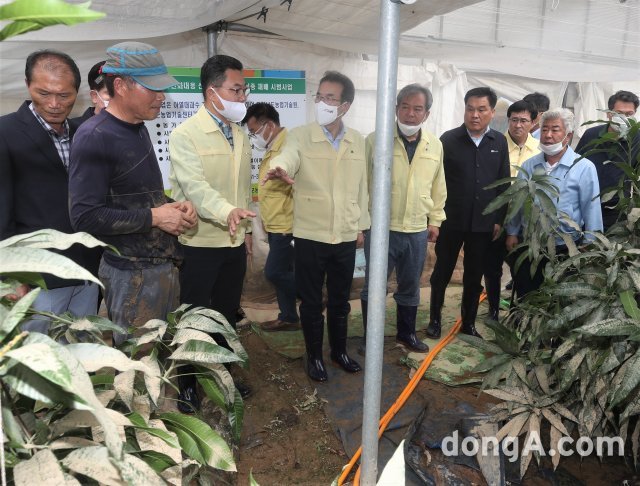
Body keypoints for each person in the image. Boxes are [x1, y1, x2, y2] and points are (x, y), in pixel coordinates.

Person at [69, 42, 197, 345]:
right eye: (152, 88)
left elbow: (131, 194)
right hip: (131, 275)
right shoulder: (94, 136)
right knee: (139, 374)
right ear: (121, 85)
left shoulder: (138, 127)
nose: (161, 96)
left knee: (161, 360)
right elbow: (84, 217)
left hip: (159, 268)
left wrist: (171, 206)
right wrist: (155, 217)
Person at [263, 71, 370, 382]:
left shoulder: (357, 141)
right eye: (319, 97)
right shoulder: (299, 135)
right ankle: (315, 358)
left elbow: (362, 188)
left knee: (340, 299)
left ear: (345, 106)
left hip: (346, 234)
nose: (322, 103)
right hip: (311, 233)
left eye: (330, 98)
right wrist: (278, 167)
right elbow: (287, 156)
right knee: (311, 301)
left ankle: (339, 352)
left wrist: (361, 226)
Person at [169, 54, 255, 407]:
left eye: (243, 90)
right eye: (236, 90)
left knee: (225, 314)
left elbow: (244, 188)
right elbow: (196, 189)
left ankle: (222, 377)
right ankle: (187, 383)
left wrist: (246, 230)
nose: (242, 97)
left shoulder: (240, 133)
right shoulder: (185, 135)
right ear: (211, 92)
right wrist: (228, 211)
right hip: (200, 242)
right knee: (195, 317)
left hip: (233, 241)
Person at [0, 49, 100, 332]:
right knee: (38, 363)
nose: (54, 104)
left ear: (77, 92)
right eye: (44, 93)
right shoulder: (5, 133)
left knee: (82, 359)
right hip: (38, 278)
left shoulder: (84, 131)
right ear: (27, 85)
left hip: (86, 272)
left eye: (64, 95)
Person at [360, 84, 446, 353]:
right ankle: (370, 339)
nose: (410, 114)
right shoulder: (376, 140)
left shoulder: (435, 145)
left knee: (410, 285)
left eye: (417, 109)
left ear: (426, 114)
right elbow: (363, 183)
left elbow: (438, 185)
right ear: (396, 109)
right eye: (405, 107)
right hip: (381, 228)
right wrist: (363, 223)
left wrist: (435, 221)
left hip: (417, 229)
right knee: (375, 287)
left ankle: (406, 334)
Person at [426, 87, 510, 340]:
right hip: (452, 220)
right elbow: (436, 182)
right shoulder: (448, 140)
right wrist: (436, 219)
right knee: (442, 272)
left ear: (492, 112)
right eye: (470, 109)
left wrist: (498, 219)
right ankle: (434, 320)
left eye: (481, 109)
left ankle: (468, 324)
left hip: (483, 224)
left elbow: (503, 183)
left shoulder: (499, 142)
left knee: (474, 276)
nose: (475, 115)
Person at [505, 108, 603, 299]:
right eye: (544, 130)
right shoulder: (530, 165)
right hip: (530, 244)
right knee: (527, 294)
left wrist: (591, 242)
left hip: (565, 245)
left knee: (559, 297)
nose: (548, 135)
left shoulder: (583, 167)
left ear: (568, 135)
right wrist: (512, 232)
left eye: (555, 130)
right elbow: (518, 201)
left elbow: (591, 207)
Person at [242, 102, 300, 332]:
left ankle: (311, 293)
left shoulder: (288, 145)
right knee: (284, 271)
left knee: (274, 272)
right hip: (276, 223)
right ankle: (288, 317)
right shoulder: (273, 146)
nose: (253, 136)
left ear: (270, 125)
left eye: (255, 131)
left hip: (287, 224)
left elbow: (289, 171)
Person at [482, 99, 540, 322]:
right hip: (499, 218)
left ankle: (520, 312)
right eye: (514, 120)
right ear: (508, 120)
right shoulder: (495, 143)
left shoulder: (539, 149)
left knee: (521, 269)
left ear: (533, 122)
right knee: (492, 267)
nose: (518, 125)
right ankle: (493, 309)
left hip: (526, 221)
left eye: (523, 120)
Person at [575, 90, 639, 231]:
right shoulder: (591, 134)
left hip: (617, 210)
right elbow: (575, 166)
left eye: (629, 114)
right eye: (619, 113)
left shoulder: (637, 138)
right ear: (609, 113)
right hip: (586, 204)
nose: (624, 118)